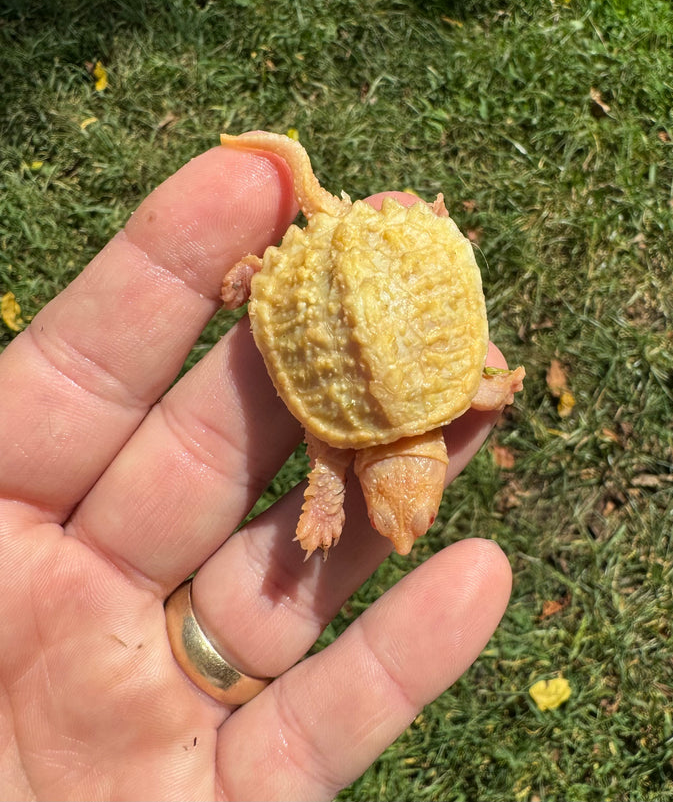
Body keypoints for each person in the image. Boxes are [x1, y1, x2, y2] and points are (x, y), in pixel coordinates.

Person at [0, 141, 513, 800]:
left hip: (341, 279)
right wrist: (324, 504)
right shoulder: (430, 399)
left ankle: (260, 275)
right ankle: (258, 272)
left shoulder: (450, 389)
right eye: (404, 512)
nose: (399, 531)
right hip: (358, 275)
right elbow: (336, 462)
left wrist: (328, 500)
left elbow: (362, 444)